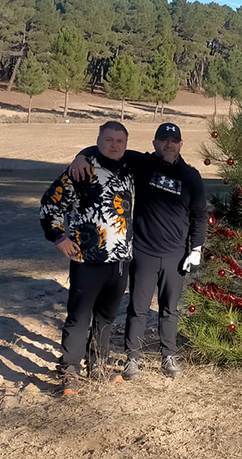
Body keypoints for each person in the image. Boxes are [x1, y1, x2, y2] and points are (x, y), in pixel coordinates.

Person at [70, 122, 207, 380]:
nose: (169, 145)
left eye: (174, 141)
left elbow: (199, 215)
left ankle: (169, 356)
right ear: (154, 143)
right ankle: (132, 359)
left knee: (170, 308)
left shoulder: (191, 176)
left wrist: (196, 249)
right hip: (143, 252)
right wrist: (80, 157)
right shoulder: (142, 163)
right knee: (138, 308)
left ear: (180, 144)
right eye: (163, 140)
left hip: (176, 255)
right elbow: (105, 151)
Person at [40, 121, 135, 397]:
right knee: (79, 317)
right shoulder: (81, 170)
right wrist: (59, 238)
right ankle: (70, 370)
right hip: (87, 260)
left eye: (120, 141)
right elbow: (50, 204)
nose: (114, 145)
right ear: (98, 140)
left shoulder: (130, 170)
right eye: (108, 140)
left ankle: (98, 366)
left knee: (106, 316)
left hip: (120, 261)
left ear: (126, 144)